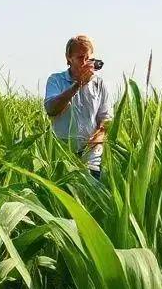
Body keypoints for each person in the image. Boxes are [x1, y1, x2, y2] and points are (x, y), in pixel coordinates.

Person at [43, 35, 112, 180]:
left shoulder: (99, 84)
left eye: (89, 58)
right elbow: (51, 109)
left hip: (91, 156)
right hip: (63, 155)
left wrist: (100, 134)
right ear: (69, 58)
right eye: (81, 58)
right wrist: (77, 85)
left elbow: (105, 118)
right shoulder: (56, 80)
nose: (86, 63)